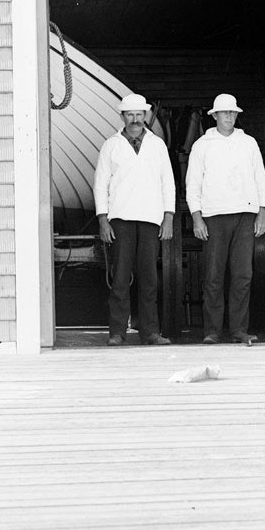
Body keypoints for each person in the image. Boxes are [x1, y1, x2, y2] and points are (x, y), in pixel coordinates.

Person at [186, 94, 265, 344]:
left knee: (243, 275)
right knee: (213, 275)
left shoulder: (249, 143)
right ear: (214, 116)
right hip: (214, 216)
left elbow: (260, 179)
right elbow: (193, 183)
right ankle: (212, 330)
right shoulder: (202, 144)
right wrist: (197, 217)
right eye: (224, 113)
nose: (229, 117)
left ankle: (238, 330)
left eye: (232, 113)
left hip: (245, 215)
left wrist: (262, 213)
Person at [94, 95, 175, 347]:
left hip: (151, 218)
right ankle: (117, 332)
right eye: (130, 114)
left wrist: (168, 217)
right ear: (122, 117)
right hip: (121, 219)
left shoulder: (157, 145)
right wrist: (103, 219)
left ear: (146, 116)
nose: (135, 119)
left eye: (139, 114)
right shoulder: (111, 145)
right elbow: (100, 185)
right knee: (120, 278)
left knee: (149, 278)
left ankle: (150, 332)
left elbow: (167, 182)